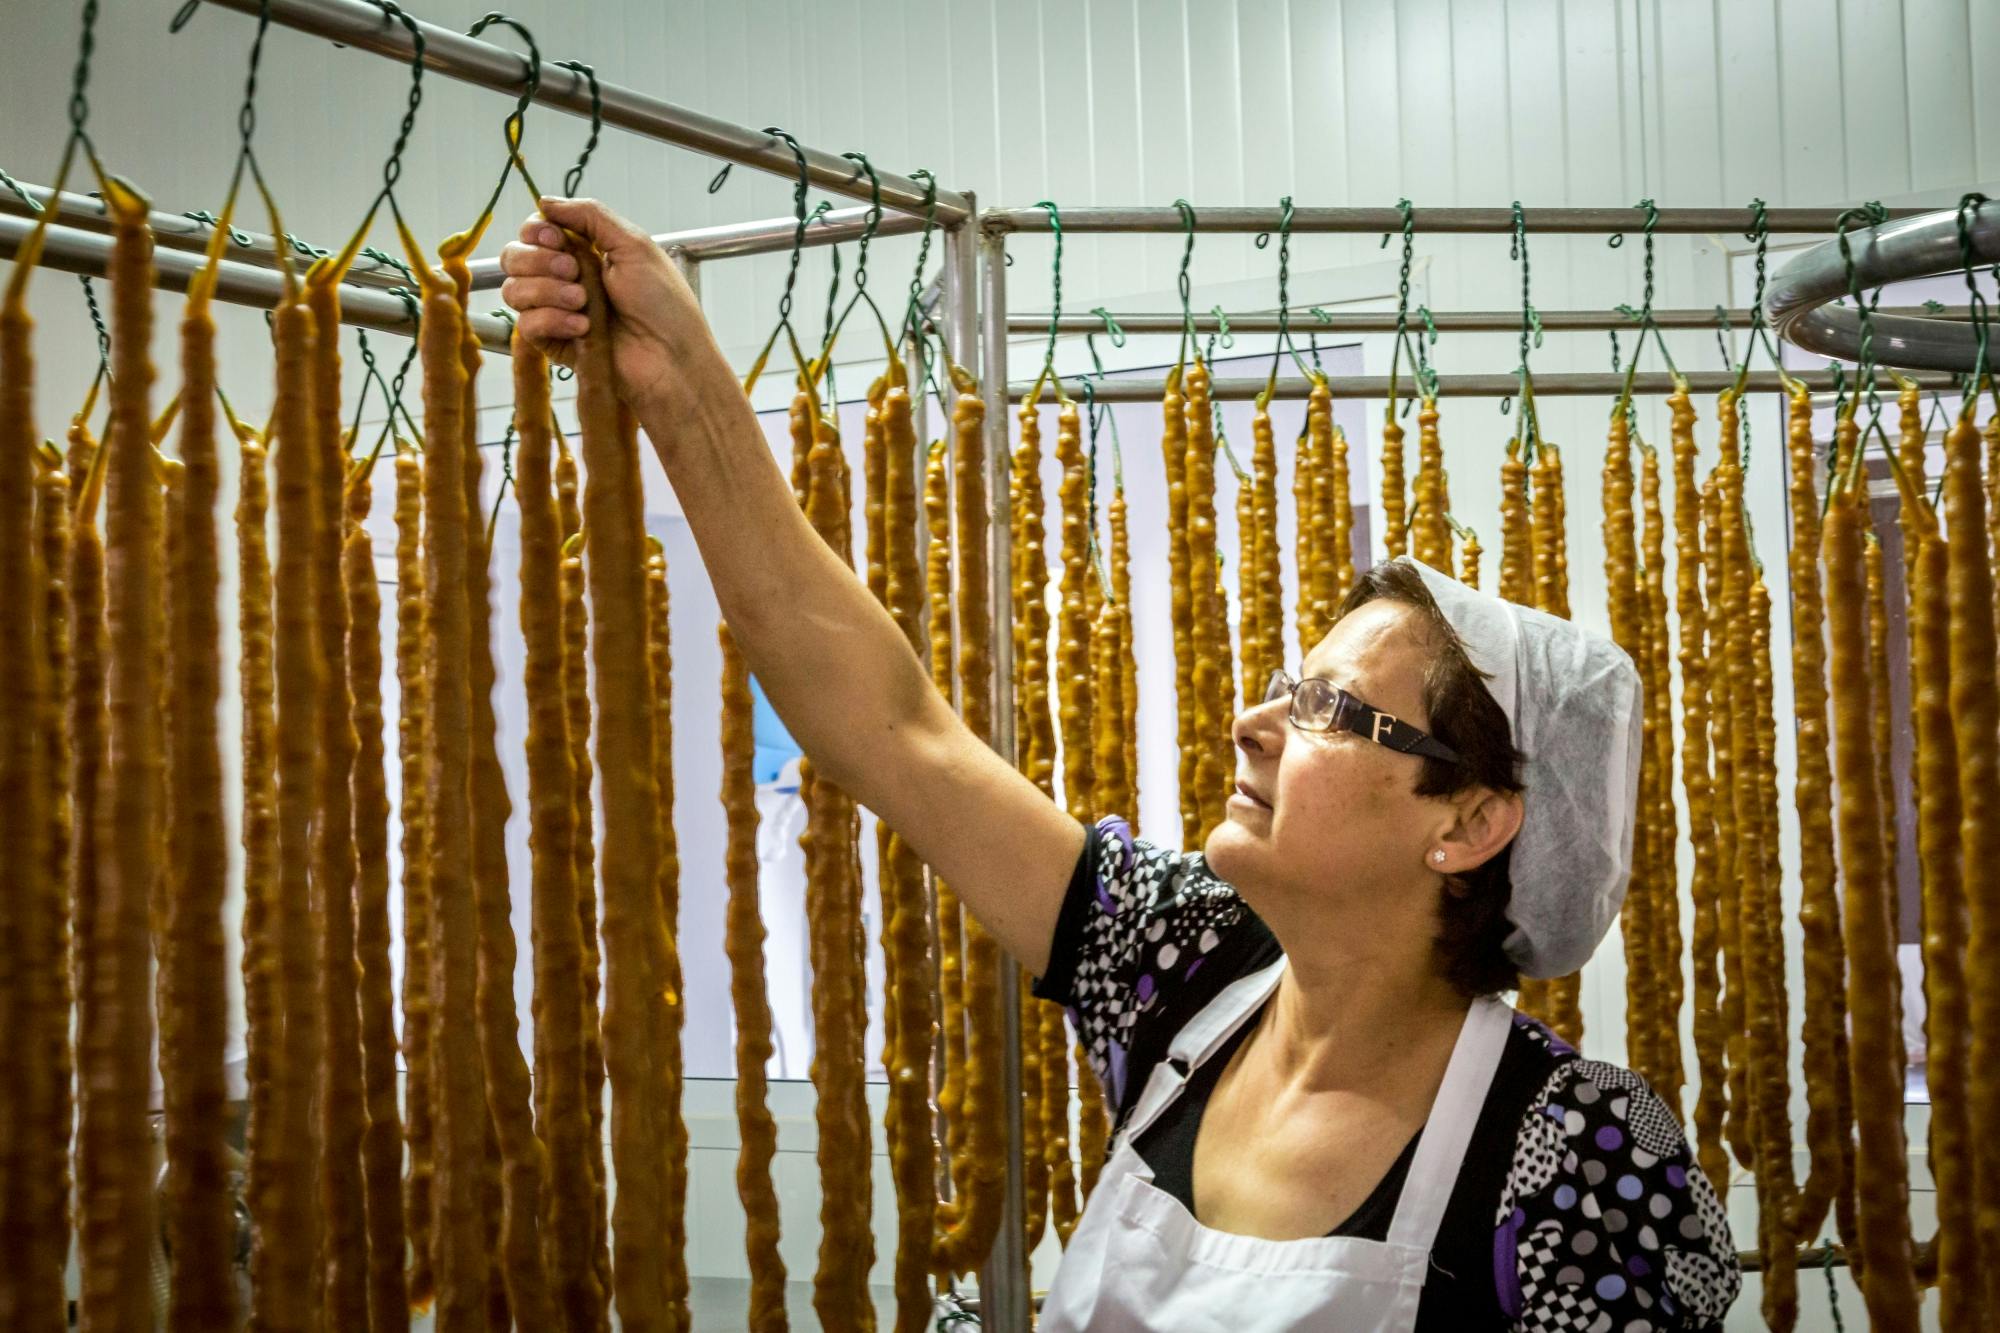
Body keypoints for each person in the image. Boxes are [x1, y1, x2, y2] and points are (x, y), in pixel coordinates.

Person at [499, 197, 1742, 1332]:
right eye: (1280, 689)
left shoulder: (1578, 1152)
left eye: (1324, 709)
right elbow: (894, 732)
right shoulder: (1183, 964)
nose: (1253, 725)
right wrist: (679, 383)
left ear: (1469, 822)